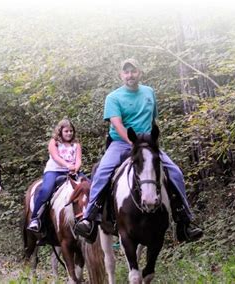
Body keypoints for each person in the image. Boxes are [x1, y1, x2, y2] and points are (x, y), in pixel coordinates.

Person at [74, 58, 203, 242]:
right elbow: (117, 125)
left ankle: (184, 222)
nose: (130, 75)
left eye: (133, 71)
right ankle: (90, 219)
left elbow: (152, 120)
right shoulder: (113, 97)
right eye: (126, 72)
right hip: (121, 142)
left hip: (147, 143)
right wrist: (132, 142)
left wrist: (154, 143)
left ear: (139, 73)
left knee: (175, 172)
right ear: (121, 75)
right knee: (102, 172)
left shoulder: (149, 92)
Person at [27, 118, 83, 233]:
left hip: (72, 171)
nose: (69, 133)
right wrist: (68, 165)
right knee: (46, 190)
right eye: (66, 131)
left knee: (89, 186)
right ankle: (35, 218)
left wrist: (76, 168)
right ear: (60, 131)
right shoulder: (54, 142)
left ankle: (93, 216)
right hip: (54, 171)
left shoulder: (76, 144)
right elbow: (56, 157)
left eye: (71, 131)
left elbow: (78, 159)